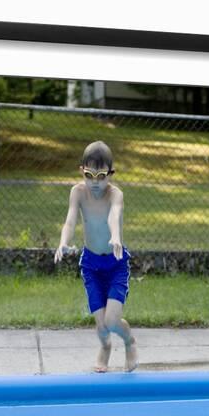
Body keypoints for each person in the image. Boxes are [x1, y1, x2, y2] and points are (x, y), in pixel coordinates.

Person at [54, 140, 139, 373]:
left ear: (110, 174)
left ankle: (129, 341)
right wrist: (64, 241)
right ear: (82, 170)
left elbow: (114, 216)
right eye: (89, 175)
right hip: (91, 264)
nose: (94, 182)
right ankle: (105, 347)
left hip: (115, 262)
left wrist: (116, 236)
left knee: (112, 321)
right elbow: (70, 219)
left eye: (101, 176)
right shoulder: (78, 192)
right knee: (101, 325)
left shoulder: (116, 195)